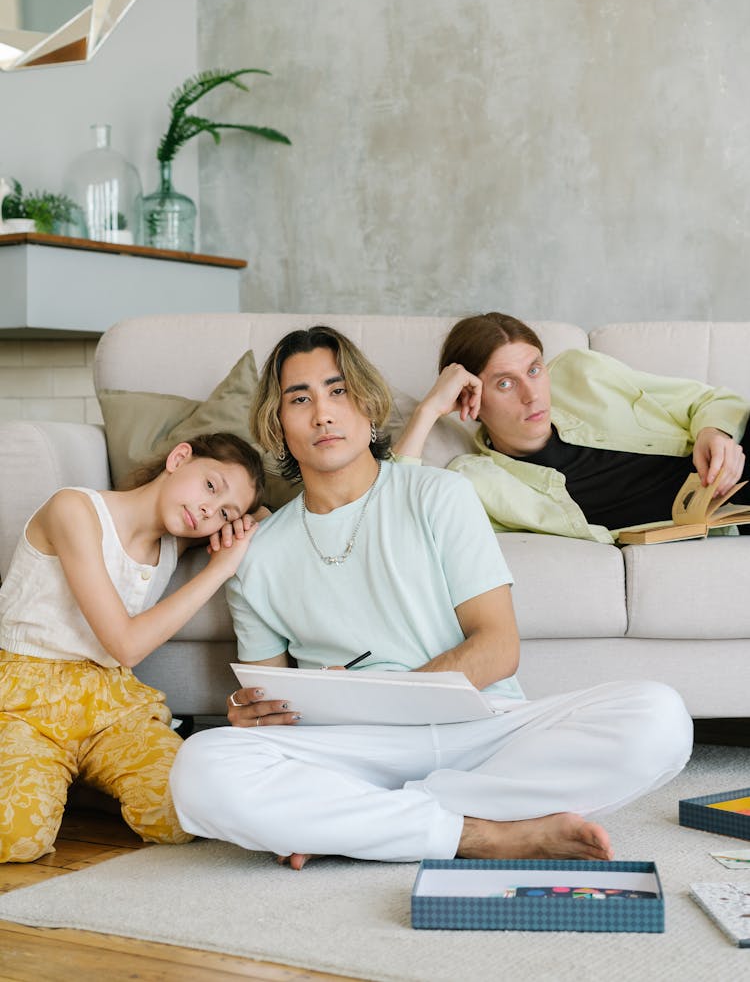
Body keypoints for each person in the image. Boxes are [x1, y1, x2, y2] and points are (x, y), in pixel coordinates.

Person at [170, 326, 692, 868]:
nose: (323, 413)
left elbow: (497, 649)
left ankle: (359, 823)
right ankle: (480, 835)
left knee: (660, 716)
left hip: (484, 730)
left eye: (338, 391)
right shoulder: (257, 554)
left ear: (369, 404)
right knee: (201, 766)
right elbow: (268, 700)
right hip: (355, 750)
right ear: (277, 425)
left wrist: (389, 699)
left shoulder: (441, 495)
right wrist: (247, 711)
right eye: (300, 399)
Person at [0, 432, 265, 864]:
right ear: (179, 458)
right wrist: (219, 571)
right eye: (210, 487)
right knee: (17, 839)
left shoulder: (173, 540)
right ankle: (49, 777)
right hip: (26, 703)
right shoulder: (75, 509)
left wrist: (247, 519)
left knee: (183, 818)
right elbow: (125, 645)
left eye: (223, 513)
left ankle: (78, 785)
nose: (208, 510)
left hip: (110, 705)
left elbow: (263, 515)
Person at [393, 312, 750, 543]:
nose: (532, 395)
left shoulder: (581, 374)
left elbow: (712, 400)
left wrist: (714, 433)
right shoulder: (480, 481)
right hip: (731, 520)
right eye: (505, 383)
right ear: (470, 397)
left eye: (534, 370)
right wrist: (428, 410)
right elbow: (396, 520)